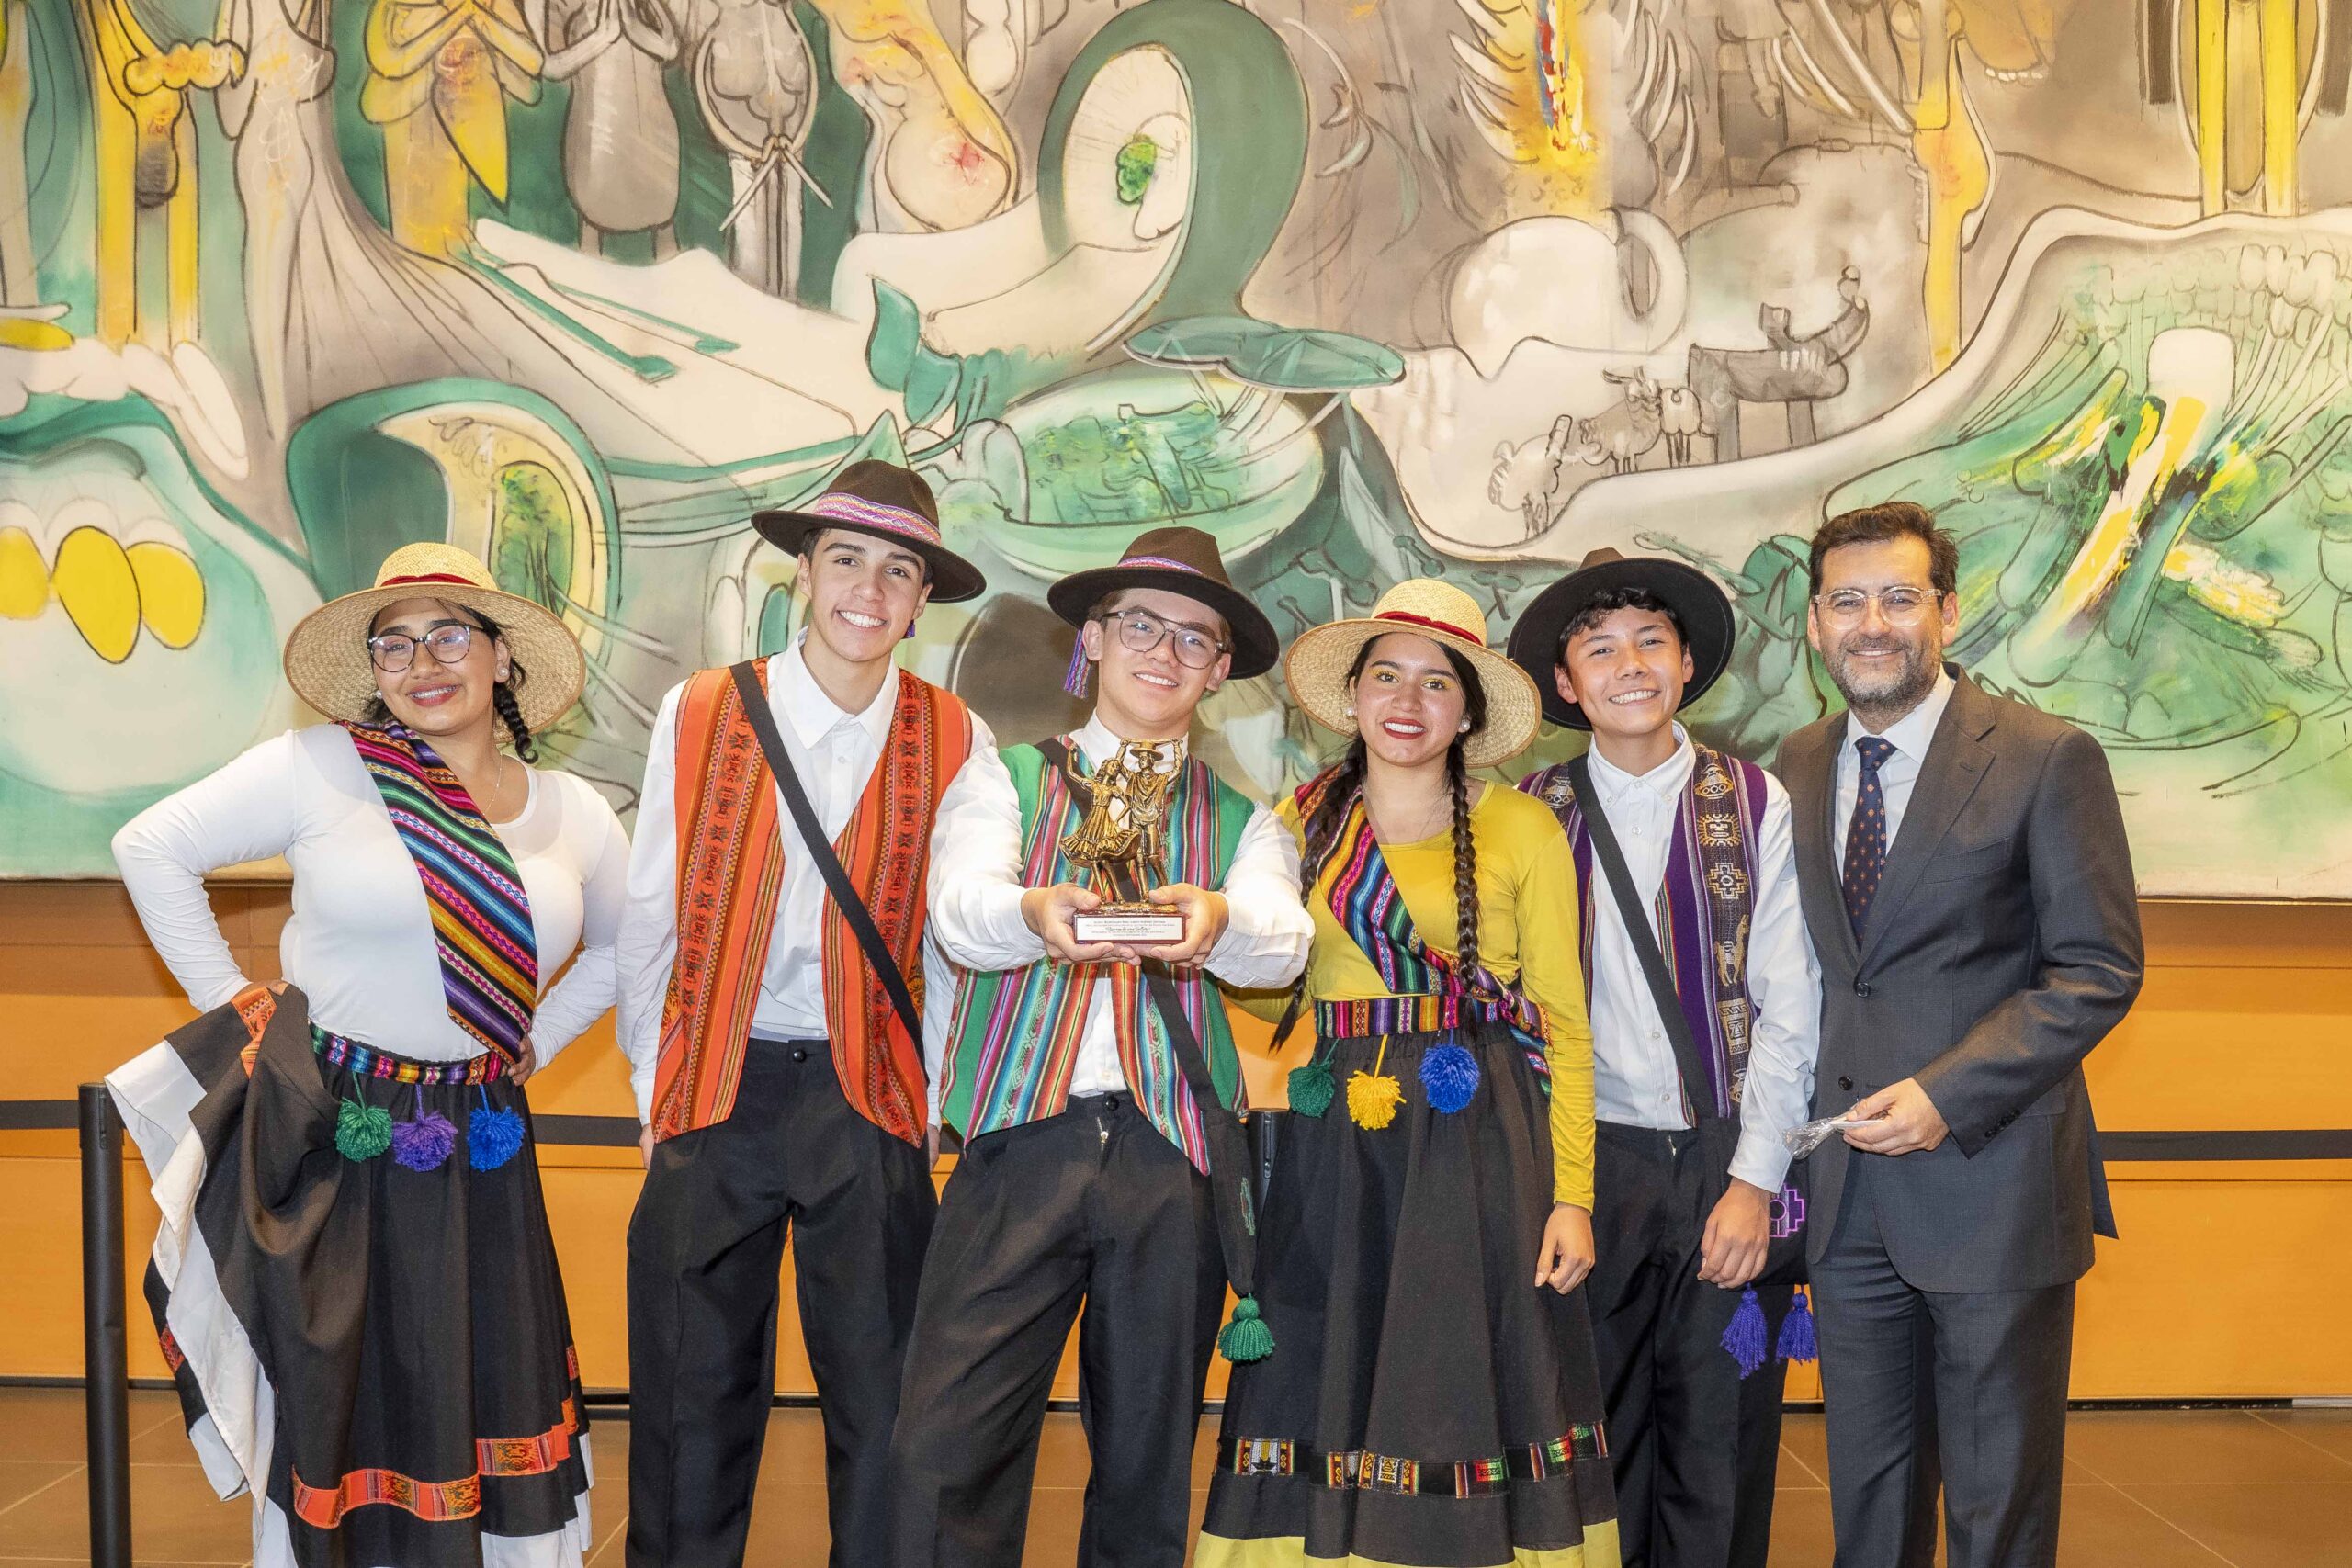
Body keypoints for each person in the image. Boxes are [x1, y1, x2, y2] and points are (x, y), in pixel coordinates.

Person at [106, 543, 625, 1568]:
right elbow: (149, 847)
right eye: (395, 644)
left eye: (448, 634)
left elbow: (618, 951)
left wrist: (539, 1042)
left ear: (502, 659)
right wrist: (235, 1001)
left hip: (479, 1135)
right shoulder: (324, 766)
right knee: (342, 1380)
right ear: (375, 672)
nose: (422, 662)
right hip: (332, 1131)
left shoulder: (577, 814)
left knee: (486, 1366)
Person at [892, 526, 1313, 1568]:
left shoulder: (1247, 826)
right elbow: (957, 911)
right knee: (944, 1450)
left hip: (1172, 1162)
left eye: (1192, 637)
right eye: (1138, 624)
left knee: (1143, 1459)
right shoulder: (1006, 780)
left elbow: (1282, 945)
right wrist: (1035, 911)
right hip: (1016, 1148)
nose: (1162, 651)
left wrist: (1219, 921)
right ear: (1091, 638)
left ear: (1220, 670)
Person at [1197, 579, 1621, 1568]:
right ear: (1351, 696)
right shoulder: (1292, 823)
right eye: (1385, 674)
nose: (1407, 699)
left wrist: (1573, 1196)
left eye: (1437, 683)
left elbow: (1561, 1025)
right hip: (1332, 1135)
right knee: (1324, 1359)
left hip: (1480, 1138)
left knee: (1462, 1377)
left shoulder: (1523, 828)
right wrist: (1201, 937)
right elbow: (1263, 1001)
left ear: (1468, 713)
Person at [614, 460, 991, 1568]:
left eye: (897, 568)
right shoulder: (701, 708)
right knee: (690, 1400)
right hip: (716, 1086)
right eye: (845, 561)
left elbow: (954, 941)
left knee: (883, 1407)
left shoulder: (955, 733)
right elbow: (651, 910)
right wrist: (657, 1086)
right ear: (801, 575)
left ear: (922, 598)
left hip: (865, 1094)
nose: (868, 589)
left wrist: (936, 1096)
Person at [1775, 501, 2143, 1568]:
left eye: (1898, 597)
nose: (1872, 623)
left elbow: (2097, 970)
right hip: (1846, 1205)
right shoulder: (1794, 764)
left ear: (1945, 608)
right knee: (1869, 1502)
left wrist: (1947, 1091)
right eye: (1847, 601)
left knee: (1996, 1504)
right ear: (1813, 624)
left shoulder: (2043, 756)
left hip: (1993, 1183)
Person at [1508, 549, 1822, 1568]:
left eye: (1650, 641)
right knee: (1587, 1426)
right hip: (1580, 1167)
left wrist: (1752, 1181)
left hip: (1723, 1161)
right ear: (1565, 683)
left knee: (1720, 1434)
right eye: (1598, 648)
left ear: (1685, 664)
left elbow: (1791, 1003)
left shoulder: (1759, 801)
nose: (1628, 664)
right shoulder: (1526, 813)